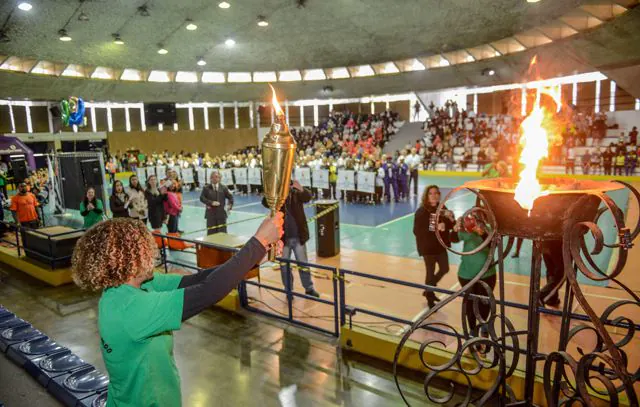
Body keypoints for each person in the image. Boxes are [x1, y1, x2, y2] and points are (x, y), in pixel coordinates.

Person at [71, 214, 283, 407]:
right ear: (127, 261)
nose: (151, 253)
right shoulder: (130, 308)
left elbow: (200, 280)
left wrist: (253, 260)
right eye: (144, 249)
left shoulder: (133, 287)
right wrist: (257, 243)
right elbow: (208, 291)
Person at [262, 179, 320, 298]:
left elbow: (308, 197)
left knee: (303, 264)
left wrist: (301, 188)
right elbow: (265, 202)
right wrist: (272, 191)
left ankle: (309, 288)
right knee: (284, 267)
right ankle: (288, 290)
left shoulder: (296, 193)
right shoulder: (277, 198)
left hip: (298, 237)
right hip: (283, 239)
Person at [450, 213, 496, 337]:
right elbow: (453, 239)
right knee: (470, 304)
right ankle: (472, 330)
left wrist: (481, 233)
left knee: (484, 303)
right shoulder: (465, 230)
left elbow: (493, 243)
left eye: (475, 218)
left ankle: (484, 327)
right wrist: (455, 228)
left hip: (487, 274)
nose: (472, 221)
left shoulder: (488, 228)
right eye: (470, 218)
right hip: (466, 274)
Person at [413, 185, 454, 308]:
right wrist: (435, 227)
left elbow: (451, 224)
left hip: (440, 246)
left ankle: (428, 290)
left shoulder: (442, 208)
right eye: (431, 193)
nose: (434, 195)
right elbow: (416, 231)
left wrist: (449, 221)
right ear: (426, 196)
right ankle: (430, 299)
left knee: (444, 268)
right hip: (428, 248)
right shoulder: (421, 211)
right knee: (430, 273)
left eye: (436, 193)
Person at [200, 171, 234, 235]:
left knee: (222, 233)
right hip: (211, 215)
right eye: (213, 177)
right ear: (210, 178)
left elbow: (230, 197)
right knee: (211, 234)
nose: (215, 178)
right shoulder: (206, 188)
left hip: (221, 215)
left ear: (219, 178)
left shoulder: (224, 188)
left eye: (217, 177)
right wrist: (211, 202)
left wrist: (229, 205)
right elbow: (202, 198)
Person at [540, 240, 563, 307]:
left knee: (551, 271)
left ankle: (552, 298)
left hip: (544, 242)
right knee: (561, 273)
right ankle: (541, 295)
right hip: (556, 241)